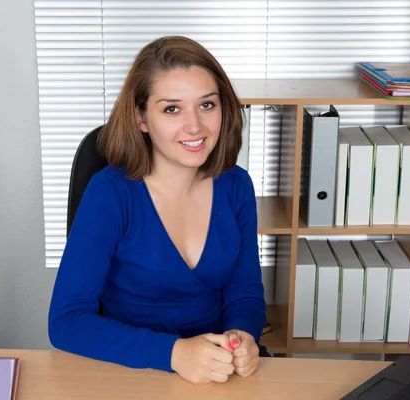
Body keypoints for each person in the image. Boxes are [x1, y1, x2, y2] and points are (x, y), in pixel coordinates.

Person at [48, 35, 267, 385]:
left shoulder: (236, 186)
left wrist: (242, 338)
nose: (194, 126)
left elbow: (245, 293)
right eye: (172, 108)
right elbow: (66, 321)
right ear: (141, 118)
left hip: (216, 375)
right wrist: (174, 353)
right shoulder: (110, 194)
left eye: (207, 105)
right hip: (133, 372)